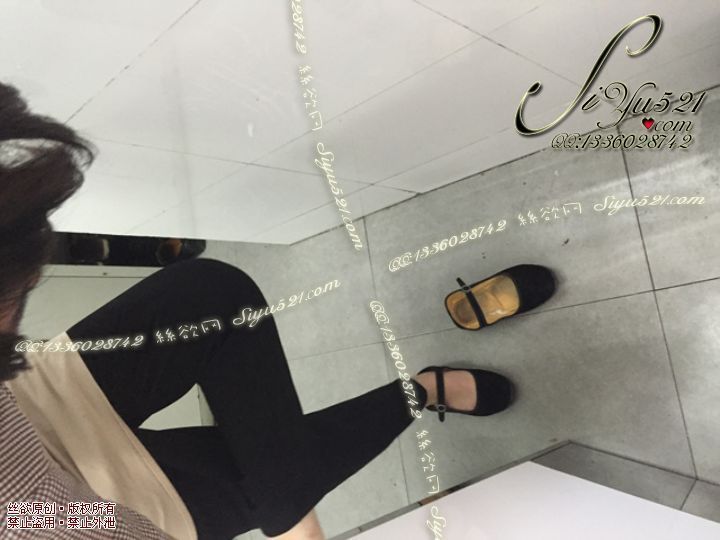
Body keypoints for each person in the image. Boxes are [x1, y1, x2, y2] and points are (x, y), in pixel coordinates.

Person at [0, 81, 515, 539]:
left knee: (209, 298)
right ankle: (422, 391)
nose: (36, 280)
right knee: (261, 483)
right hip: (62, 515)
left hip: (32, 414)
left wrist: (291, 514)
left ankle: (418, 395)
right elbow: (41, 515)